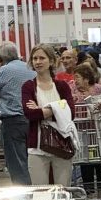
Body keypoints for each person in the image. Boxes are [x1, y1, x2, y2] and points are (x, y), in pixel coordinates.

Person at [23, 44, 77, 187]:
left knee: (62, 191)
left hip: (62, 144)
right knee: (40, 192)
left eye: (42, 58)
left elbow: (71, 112)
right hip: (37, 148)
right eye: (35, 58)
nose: (38, 62)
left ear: (51, 61)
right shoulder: (28, 86)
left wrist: (44, 110)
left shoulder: (62, 86)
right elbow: (30, 114)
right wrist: (59, 108)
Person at [0, 40, 33, 185]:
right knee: (32, 159)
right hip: (32, 118)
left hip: (12, 122)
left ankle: (24, 195)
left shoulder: (4, 71)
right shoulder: (29, 68)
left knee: (17, 162)